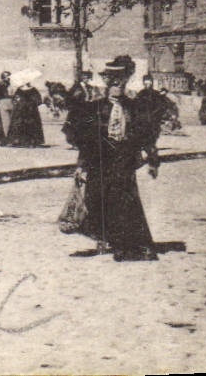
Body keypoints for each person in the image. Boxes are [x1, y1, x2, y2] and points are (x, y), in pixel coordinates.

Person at [62, 55, 160, 261]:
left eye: (120, 83)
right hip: (99, 160)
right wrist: (81, 165)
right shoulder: (95, 108)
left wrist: (152, 159)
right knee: (97, 198)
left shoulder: (134, 107)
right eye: (113, 83)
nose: (117, 87)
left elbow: (145, 134)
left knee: (124, 200)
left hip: (124, 160)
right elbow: (86, 139)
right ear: (107, 85)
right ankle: (103, 236)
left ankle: (124, 243)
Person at [7, 78, 46, 147]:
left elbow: (15, 100)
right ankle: (28, 141)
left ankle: (23, 141)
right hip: (28, 109)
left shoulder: (21, 90)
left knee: (23, 124)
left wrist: (19, 102)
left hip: (24, 109)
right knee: (26, 124)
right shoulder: (32, 89)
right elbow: (39, 100)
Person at [0, 71, 15, 144]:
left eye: (9, 76)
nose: (8, 77)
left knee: (11, 121)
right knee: (5, 122)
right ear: (3, 77)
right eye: (6, 76)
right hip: (3, 102)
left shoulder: (11, 84)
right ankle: (7, 138)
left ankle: (10, 138)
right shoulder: (0, 84)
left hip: (10, 102)